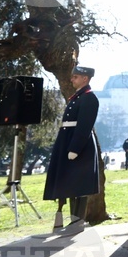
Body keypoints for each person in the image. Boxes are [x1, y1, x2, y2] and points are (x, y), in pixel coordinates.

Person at [43, 65, 100, 230]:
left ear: (85, 78)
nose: (72, 79)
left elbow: (84, 126)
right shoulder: (77, 97)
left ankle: (77, 221)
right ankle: (73, 221)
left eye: (76, 77)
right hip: (67, 141)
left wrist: (75, 148)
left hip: (79, 145)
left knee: (79, 185)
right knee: (70, 183)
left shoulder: (89, 98)